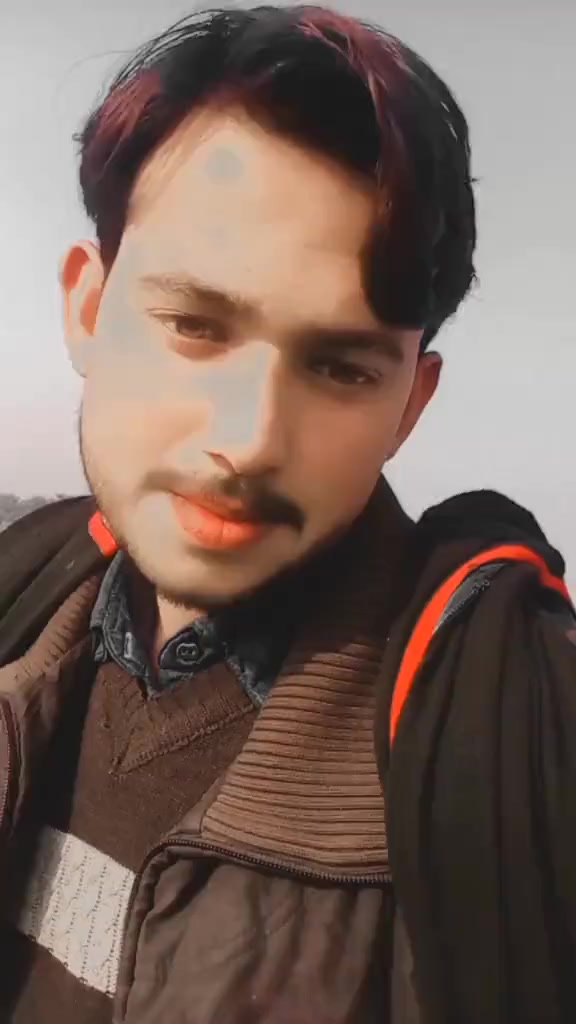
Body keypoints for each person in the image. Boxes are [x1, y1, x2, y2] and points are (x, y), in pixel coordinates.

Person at [0, 5, 574, 1023]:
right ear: (88, 309)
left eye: (341, 367)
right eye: (194, 324)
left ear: (410, 406)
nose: (252, 438)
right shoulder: (23, 592)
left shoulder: (517, 751)